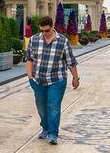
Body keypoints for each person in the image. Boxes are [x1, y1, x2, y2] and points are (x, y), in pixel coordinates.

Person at [26, 15, 80, 144]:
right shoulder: (34, 40)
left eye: (47, 30)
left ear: (52, 27)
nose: (44, 33)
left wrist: (75, 78)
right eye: (42, 30)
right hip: (38, 79)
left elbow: (70, 62)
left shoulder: (62, 41)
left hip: (57, 79)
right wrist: (30, 76)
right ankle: (45, 127)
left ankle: (53, 134)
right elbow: (29, 59)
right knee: (41, 107)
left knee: (53, 106)